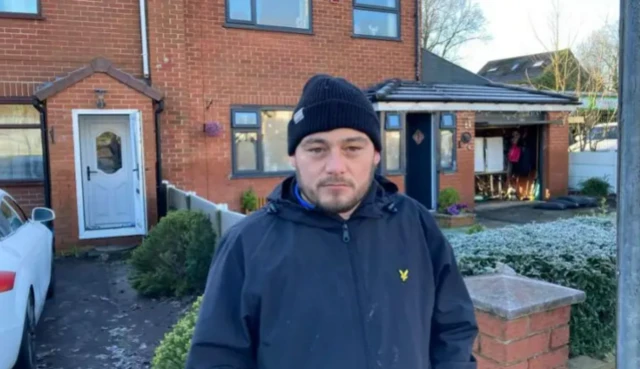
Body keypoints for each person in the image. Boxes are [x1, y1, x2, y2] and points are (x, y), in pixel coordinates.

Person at [185, 74, 478, 369]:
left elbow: (454, 327)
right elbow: (215, 359)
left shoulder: (415, 224)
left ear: (376, 154)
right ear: (293, 157)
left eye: (352, 148)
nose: (335, 167)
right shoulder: (246, 245)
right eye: (316, 149)